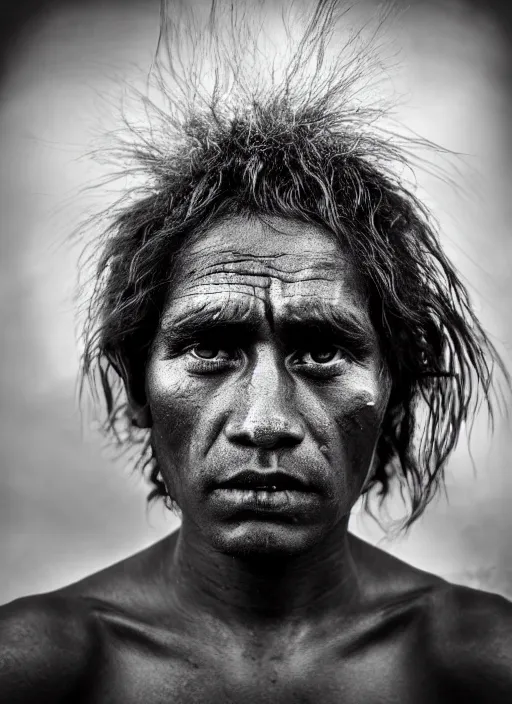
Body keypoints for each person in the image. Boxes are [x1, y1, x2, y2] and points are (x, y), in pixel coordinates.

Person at [1, 1, 511, 701]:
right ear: (138, 388)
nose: (265, 421)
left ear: (396, 389)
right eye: (211, 347)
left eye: (323, 352)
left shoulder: (479, 665)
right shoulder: (37, 667)